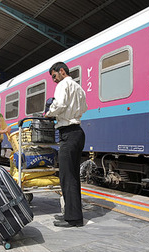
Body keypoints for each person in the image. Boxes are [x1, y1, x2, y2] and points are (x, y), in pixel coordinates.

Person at [45, 62, 88, 227]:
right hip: (77, 132)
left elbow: (60, 104)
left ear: (61, 71)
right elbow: (84, 108)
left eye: (54, 76)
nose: (54, 80)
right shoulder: (79, 88)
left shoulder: (64, 84)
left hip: (68, 134)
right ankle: (71, 214)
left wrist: (49, 113)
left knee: (66, 177)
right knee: (73, 176)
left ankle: (73, 218)